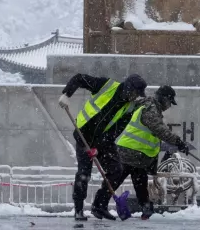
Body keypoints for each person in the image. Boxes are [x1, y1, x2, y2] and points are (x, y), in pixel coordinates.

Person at [91, 85, 190, 220]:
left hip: (138, 155)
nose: (169, 106)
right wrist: (179, 142)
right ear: (163, 99)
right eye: (169, 102)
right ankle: (99, 206)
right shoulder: (150, 108)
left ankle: (145, 208)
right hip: (129, 151)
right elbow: (160, 130)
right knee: (116, 180)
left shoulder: (147, 106)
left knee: (139, 182)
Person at [58, 73, 147, 221]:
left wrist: (98, 146)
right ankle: (79, 209)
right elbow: (79, 78)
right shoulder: (107, 85)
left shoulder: (130, 107)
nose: (135, 97)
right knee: (84, 173)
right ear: (128, 88)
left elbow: (117, 129)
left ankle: (99, 205)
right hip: (83, 134)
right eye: (135, 93)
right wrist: (67, 94)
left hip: (104, 140)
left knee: (116, 170)